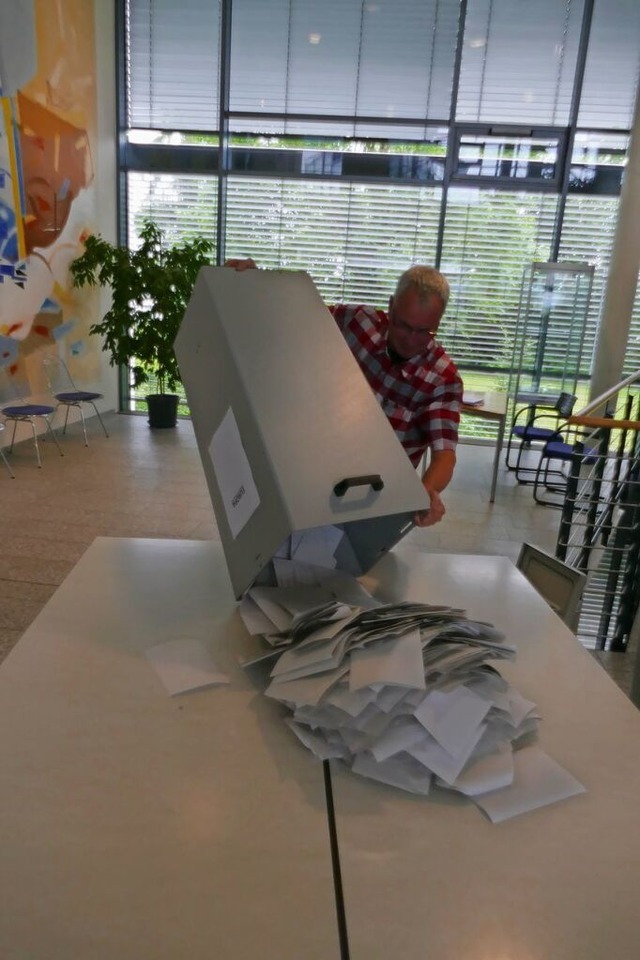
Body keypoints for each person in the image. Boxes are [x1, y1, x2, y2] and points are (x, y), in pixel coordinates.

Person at [223, 259, 463, 527]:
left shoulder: (443, 377)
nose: (411, 339)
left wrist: (427, 493)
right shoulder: (357, 323)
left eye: (424, 332)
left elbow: (445, 455)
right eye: (404, 325)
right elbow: (296, 315)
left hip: (378, 498)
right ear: (391, 306)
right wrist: (255, 283)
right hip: (317, 470)